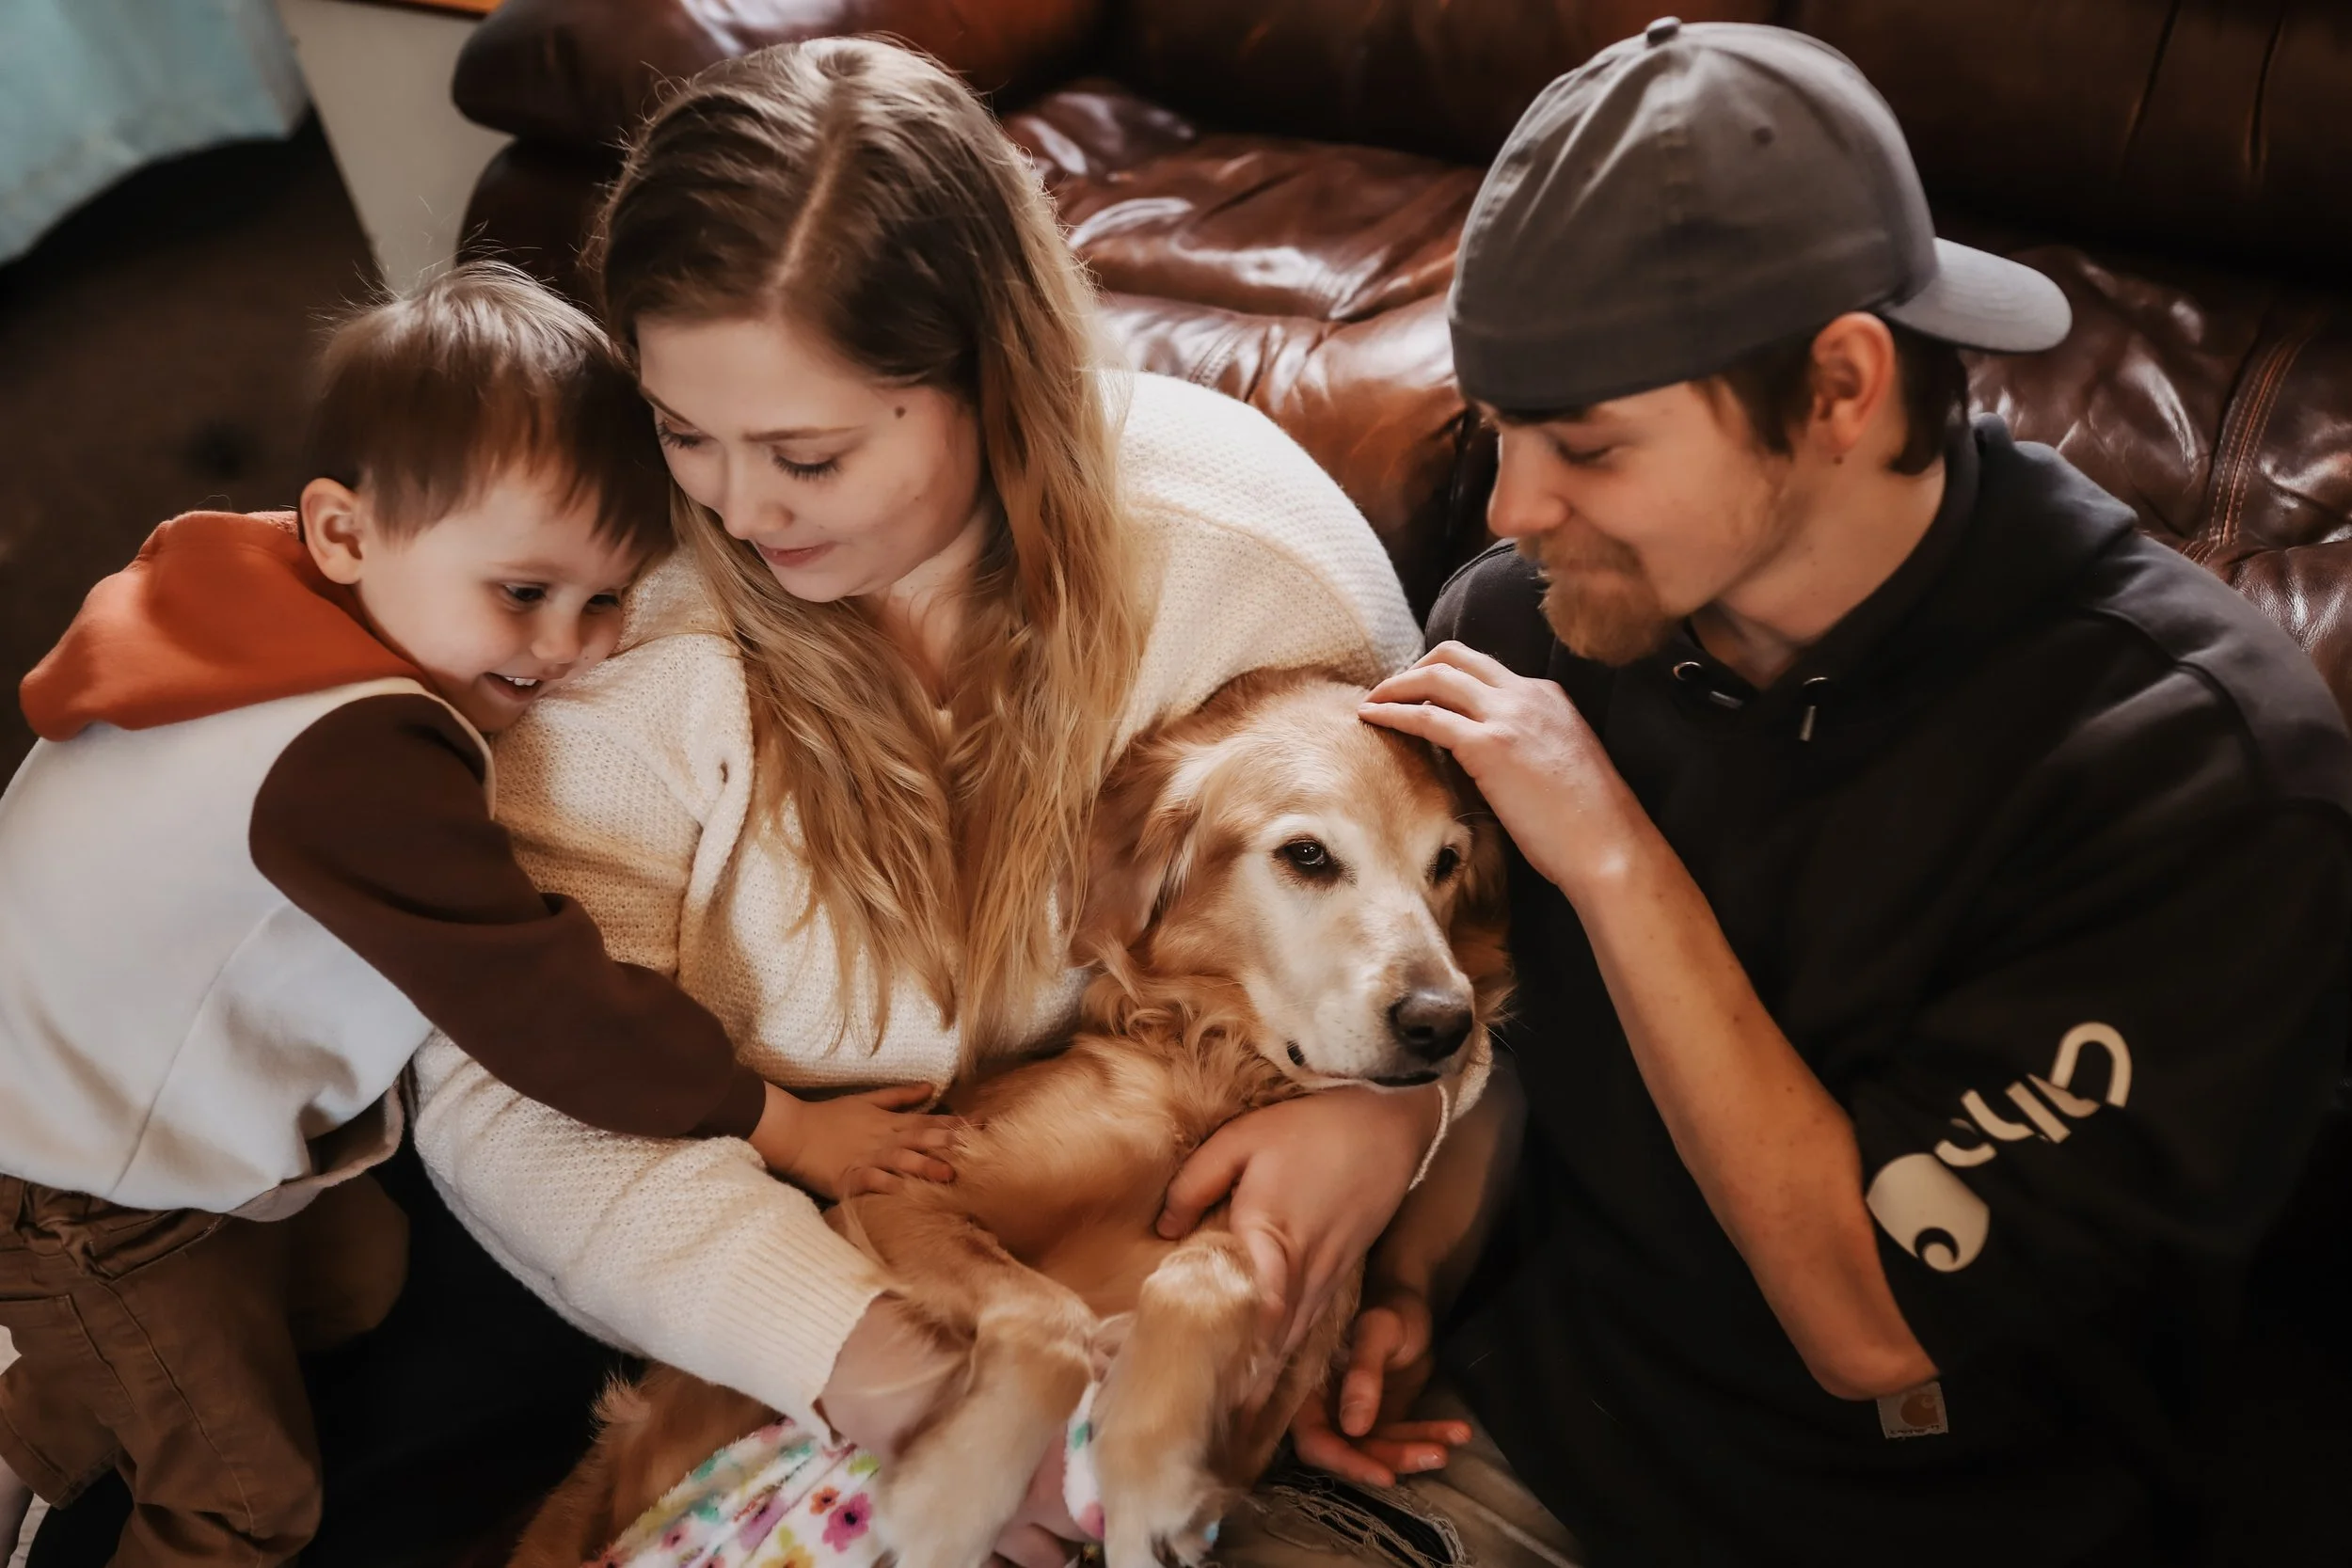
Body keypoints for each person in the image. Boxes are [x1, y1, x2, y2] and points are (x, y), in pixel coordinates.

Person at [1284, 19, 2352, 1568]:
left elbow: (1876, 1325)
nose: (1514, 505)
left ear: (1842, 384)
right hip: (1505, 1445)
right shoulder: (1527, 625)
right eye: (1501, 426)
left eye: (1589, 443)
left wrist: (1615, 855)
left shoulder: (2194, 770)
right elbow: (1517, 1051)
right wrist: (1408, 1283)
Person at [405, 37, 1455, 1568]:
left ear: (992, 370)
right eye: (683, 432)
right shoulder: (616, 629)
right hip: (664, 1281)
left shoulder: (1256, 561)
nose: (737, 508)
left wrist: (1396, 1116)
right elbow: (514, 1087)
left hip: (1086, 1256)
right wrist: (874, 1364)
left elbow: (1439, 903)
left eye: (808, 453)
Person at [0, 263, 951, 1567]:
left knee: (347, 1287)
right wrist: (782, 1122)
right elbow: (543, 1000)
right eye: (522, 593)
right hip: (92, 1193)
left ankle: (33, 1430)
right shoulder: (350, 757)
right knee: (246, 1499)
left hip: (77, 1097)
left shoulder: (240, 594)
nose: (569, 647)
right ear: (344, 531)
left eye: (606, 597)